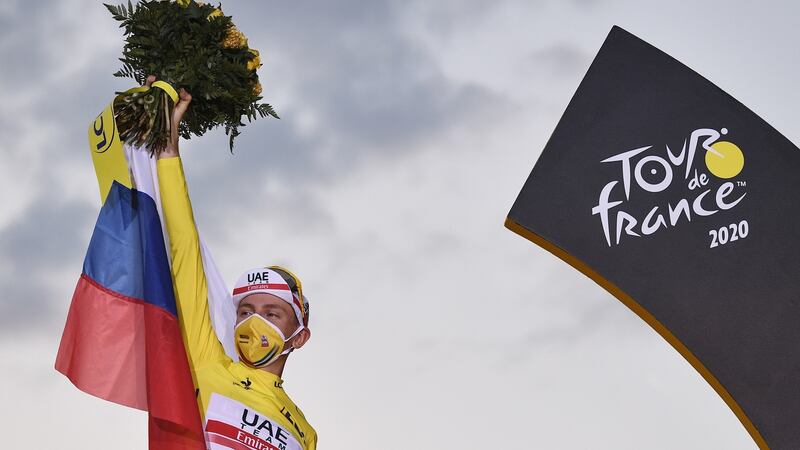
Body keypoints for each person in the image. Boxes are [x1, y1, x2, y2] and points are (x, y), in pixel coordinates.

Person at [152, 76, 317, 450]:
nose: (254, 322)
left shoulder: (306, 434)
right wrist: (168, 150)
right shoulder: (207, 361)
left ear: (300, 336)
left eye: (272, 313)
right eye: (246, 311)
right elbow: (185, 249)